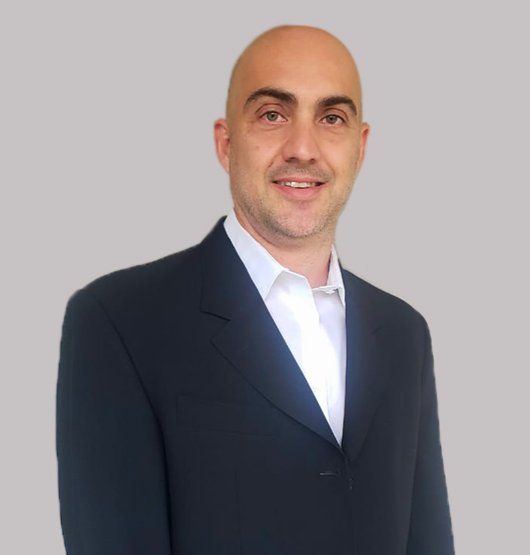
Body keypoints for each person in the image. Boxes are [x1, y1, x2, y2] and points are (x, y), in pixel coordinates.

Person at [56, 25, 455, 555]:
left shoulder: (405, 333)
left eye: (331, 118)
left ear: (360, 148)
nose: (303, 149)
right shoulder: (120, 321)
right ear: (226, 143)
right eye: (273, 114)